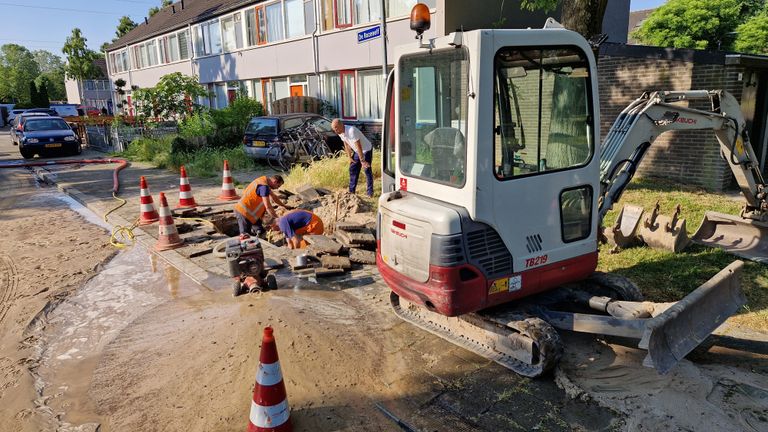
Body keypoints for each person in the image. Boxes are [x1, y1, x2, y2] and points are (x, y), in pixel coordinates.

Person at [331, 118, 374, 197]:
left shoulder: (351, 131)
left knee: (367, 170)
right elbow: (346, 143)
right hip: (357, 151)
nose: (335, 131)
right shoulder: (340, 133)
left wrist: (362, 160)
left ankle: (370, 193)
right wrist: (350, 157)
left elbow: (359, 146)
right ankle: (351, 192)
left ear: (341, 125)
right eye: (334, 129)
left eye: (336, 128)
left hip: (366, 149)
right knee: (353, 169)